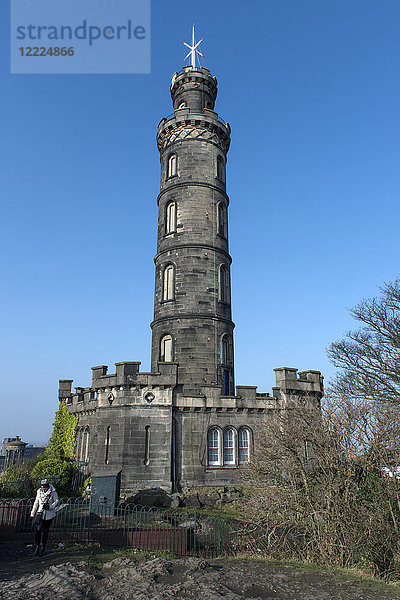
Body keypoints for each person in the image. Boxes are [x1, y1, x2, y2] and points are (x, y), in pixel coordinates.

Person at [30, 478, 59, 556]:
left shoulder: (53, 492)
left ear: (48, 487)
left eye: (45, 488)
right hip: (40, 513)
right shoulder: (39, 492)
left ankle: (43, 547)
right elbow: (36, 502)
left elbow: (56, 501)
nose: (43, 489)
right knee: (38, 530)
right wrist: (33, 513)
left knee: (46, 531)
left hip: (49, 514)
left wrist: (50, 506)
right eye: (42, 487)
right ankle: (37, 546)